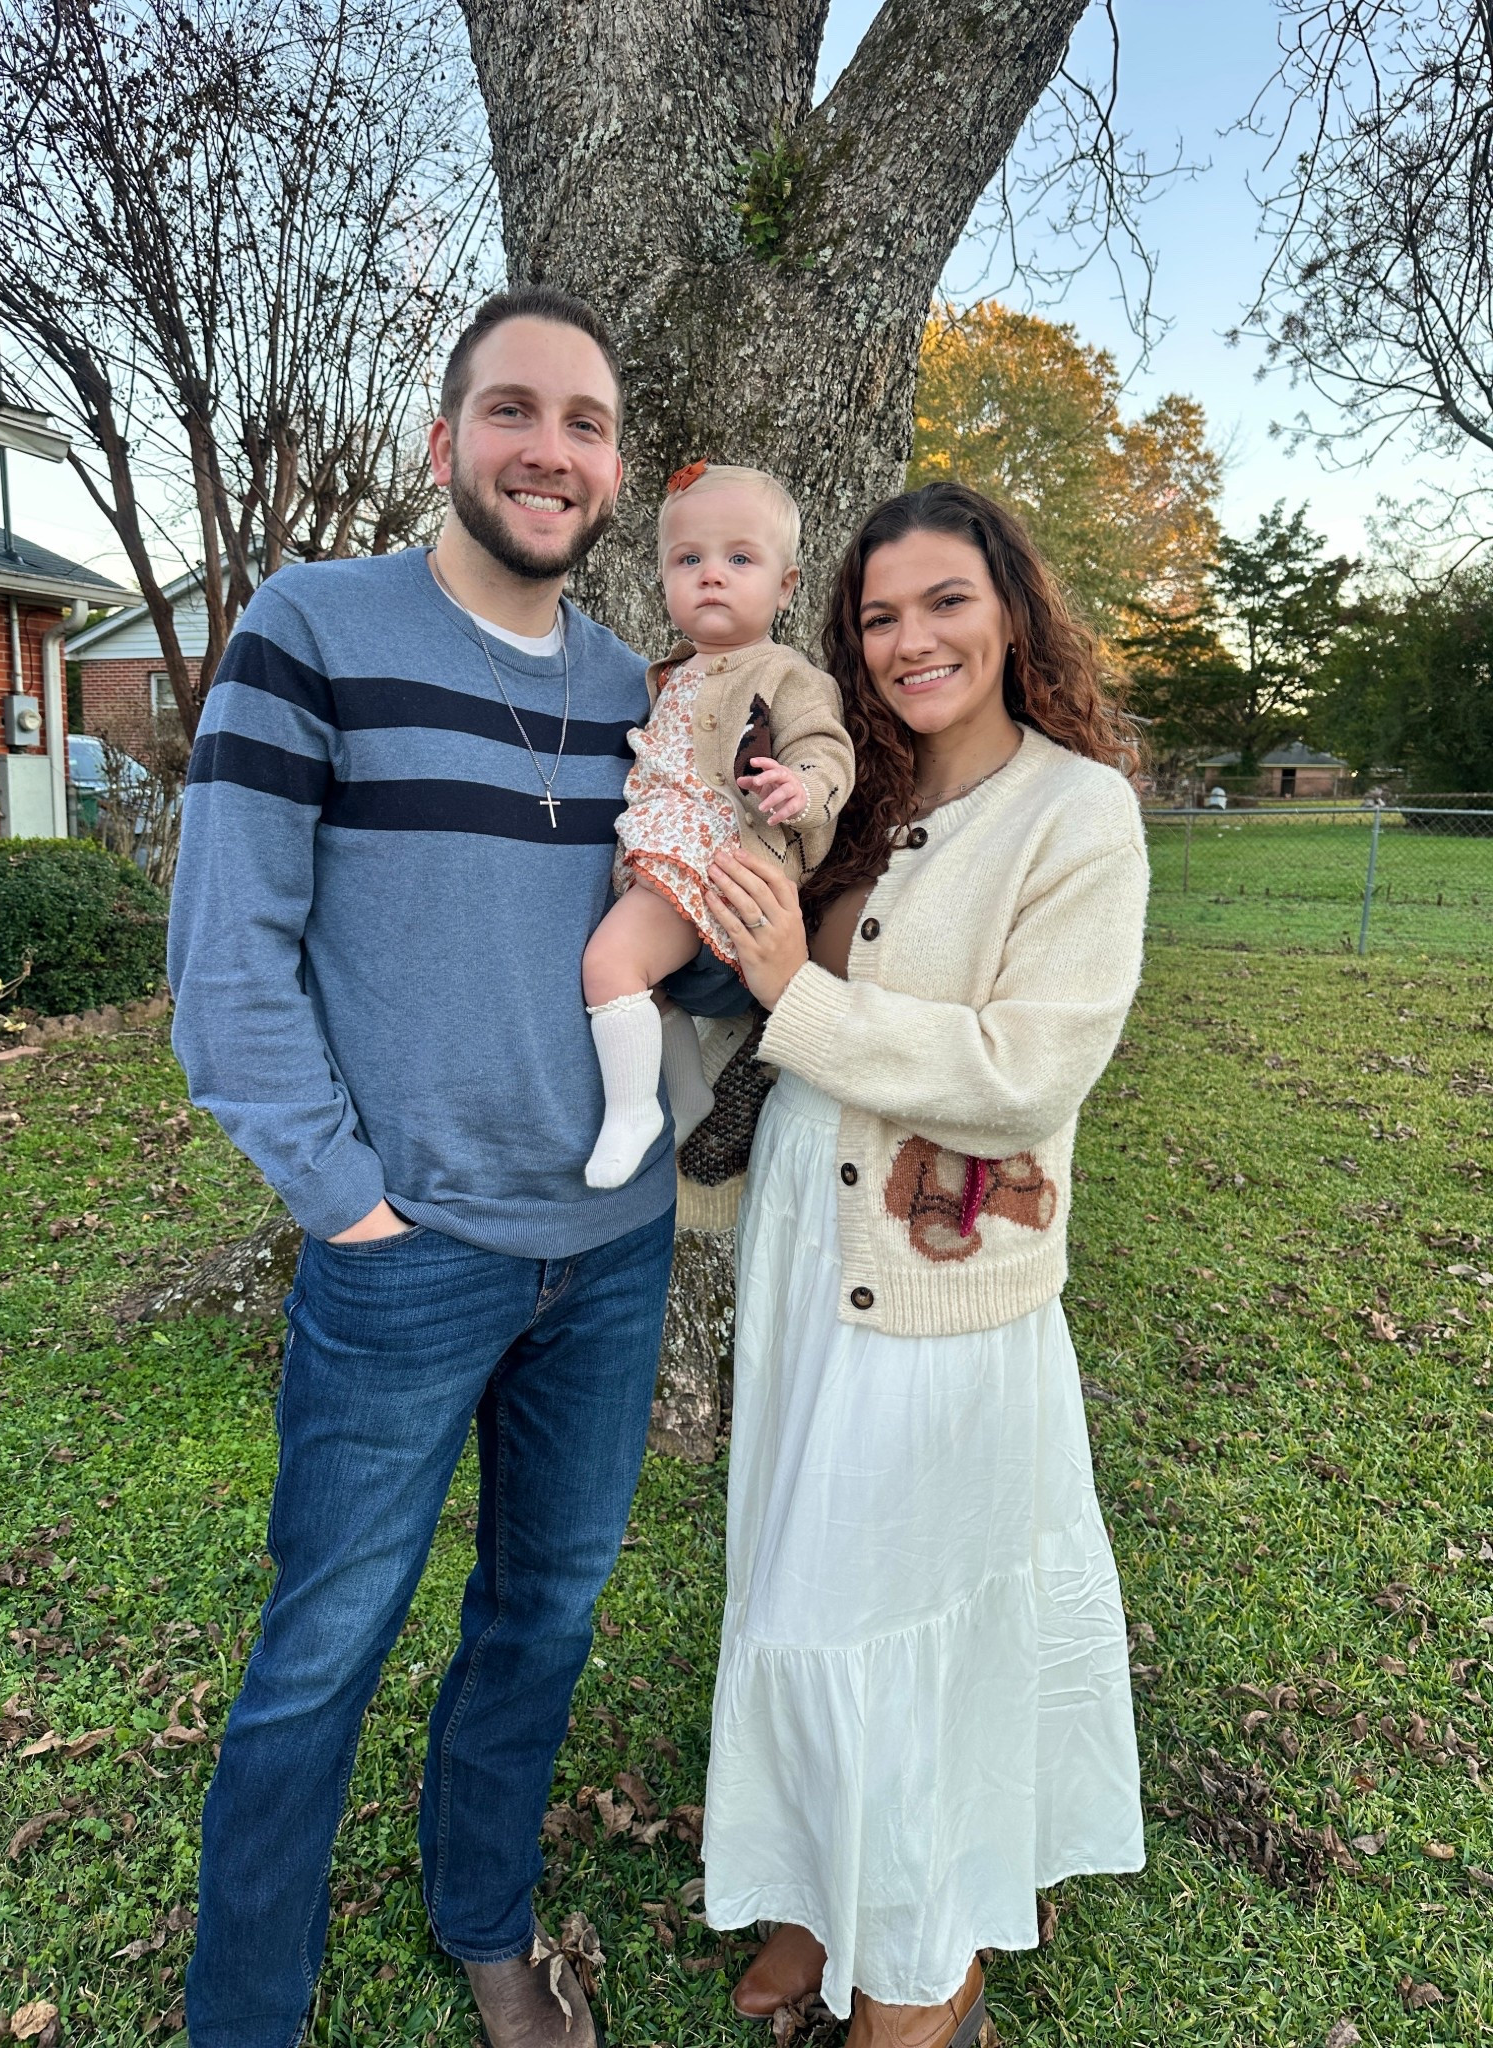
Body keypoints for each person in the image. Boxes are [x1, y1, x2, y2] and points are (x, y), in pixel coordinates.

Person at [167, 284, 728, 2048]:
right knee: (322, 1648)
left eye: (584, 423)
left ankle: (485, 1916)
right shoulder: (312, 628)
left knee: (541, 1617)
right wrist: (348, 1200)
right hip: (406, 1255)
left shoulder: (648, 695)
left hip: (612, 1251)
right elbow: (226, 960)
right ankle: (244, 2007)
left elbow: (697, 956)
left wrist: (768, 866)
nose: (549, 450)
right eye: (513, 410)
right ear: (443, 442)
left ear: (615, 470)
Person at [698, 483, 1150, 2048]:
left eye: (947, 601)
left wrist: (793, 992)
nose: (912, 641)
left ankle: (924, 1951)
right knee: (790, 1569)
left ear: (1012, 611)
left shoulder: (1077, 813)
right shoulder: (858, 799)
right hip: (802, 1245)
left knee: (894, 1605)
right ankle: (818, 1887)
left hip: (944, 1276)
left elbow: (1030, 1072)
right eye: (880, 616)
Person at [582, 460, 852, 1188]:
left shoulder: (786, 673)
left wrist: (802, 787)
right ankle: (686, 1093)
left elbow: (826, 747)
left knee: (610, 966)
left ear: (785, 586)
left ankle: (631, 1112)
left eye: (739, 559)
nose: (711, 575)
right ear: (663, 578)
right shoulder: (670, 673)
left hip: (715, 865)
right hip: (662, 858)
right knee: (652, 989)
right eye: (688, 559)